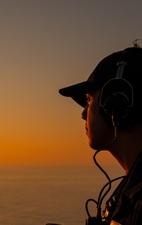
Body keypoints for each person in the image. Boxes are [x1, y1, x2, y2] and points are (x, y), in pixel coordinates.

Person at [59, 44, 142, 225]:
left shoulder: (140, 200)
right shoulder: (132, 186)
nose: (83, 114)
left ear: (116, 105)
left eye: (89, 100)